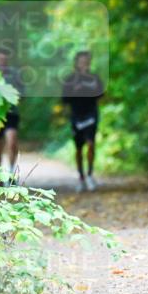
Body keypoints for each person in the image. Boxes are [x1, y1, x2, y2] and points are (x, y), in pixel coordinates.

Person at [61, 51, 104, 192]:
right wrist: (75, 90)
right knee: (78, 148)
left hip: (91, 114)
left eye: (87, 61)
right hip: (76, 116)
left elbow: (101, 94)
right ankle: (81, 177)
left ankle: (90, 174)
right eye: (81, 61)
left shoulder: (94, 78)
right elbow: (64, 99)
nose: (84, 63)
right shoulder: (70, 79)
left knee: (91, 144)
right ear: (76, 63)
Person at [0, 49, 24, 183]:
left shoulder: (15, 74)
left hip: (11, 113)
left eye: (5, 59)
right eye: (0, 59)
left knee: (12, 142)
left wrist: (13, 96)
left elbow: (22, 93)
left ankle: (12, 173)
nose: (3, 61)